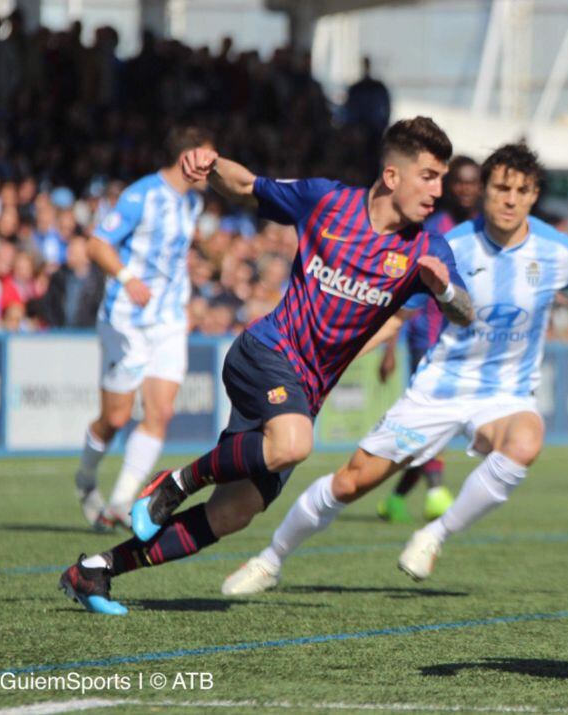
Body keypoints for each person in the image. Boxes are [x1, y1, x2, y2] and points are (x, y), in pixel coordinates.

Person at [58, 117, 473, 615]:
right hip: (265, 352)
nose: (438, 190)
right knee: (293, 443)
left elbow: (464, 311)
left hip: (305, 391)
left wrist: (444, 290)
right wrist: (212, 165)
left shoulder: (427, 249)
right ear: (391, 176)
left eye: (441, 177)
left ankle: (96, 571)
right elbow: (246, 186)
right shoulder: (327, 201)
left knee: (234, 512)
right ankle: (173, 484)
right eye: (428, 176)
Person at [221, 142, 568, 597]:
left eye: (522, 191)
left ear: (535, 195)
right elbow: (394, 317)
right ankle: (269, 560)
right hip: (439, 388)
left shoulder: (560, 251)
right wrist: (332, 362)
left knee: (526, 440)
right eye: (501, 188)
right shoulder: (447, 246)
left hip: (506, 394)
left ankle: (434, 534)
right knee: (351, 482)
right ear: (483, 191)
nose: (510, 200)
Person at [73, 127, 212, 531]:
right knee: (115, 418)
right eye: (208, 159)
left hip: (168, 321)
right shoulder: (142, 195)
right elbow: (97, 244)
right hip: (126, 321)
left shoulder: (193, 203)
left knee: (161, 412)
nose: (213, 167)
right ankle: (85, 478)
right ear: (188, 158)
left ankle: (119, 503)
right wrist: (128, 277)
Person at [376, 155, 483, 524]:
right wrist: (390, 348)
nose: (466, 189)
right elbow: (406, 293)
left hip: (467, 345)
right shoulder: (432, 229)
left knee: (437, 426)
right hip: (428, 340)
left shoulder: (485, 232)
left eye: (472, 182)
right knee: (433, 419)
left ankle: (395, 499)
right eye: (460, 182)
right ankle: (436, 491)